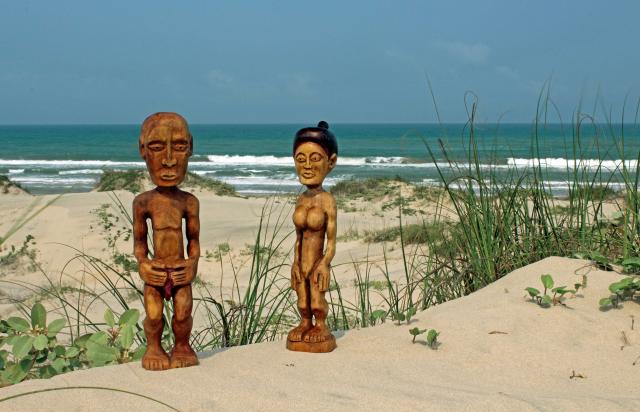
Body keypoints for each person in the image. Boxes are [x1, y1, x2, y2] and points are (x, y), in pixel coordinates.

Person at [133, 112, 200, 370]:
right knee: (153, 315)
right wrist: (143, 264)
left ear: (191, 148)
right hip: (156, 271)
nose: (169, 160)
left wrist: (192, 264)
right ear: (142, 149)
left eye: (180, 147)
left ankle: (182, 346)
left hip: (181, 270)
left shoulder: (189, 202)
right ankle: (154, 347)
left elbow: (194, 240)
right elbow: (140, 243)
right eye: (156, 147)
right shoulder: (143, 202)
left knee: (183, 314)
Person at [287, 121, 338, 352]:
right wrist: (295, 262)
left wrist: (325, 264)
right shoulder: (301, 199)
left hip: (317, 262)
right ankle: (305, 323)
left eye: (315, 158)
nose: (307, 166)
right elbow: (298, 237)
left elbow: (332, 241)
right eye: (300, 159)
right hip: (302, 262)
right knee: (302, 300)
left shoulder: (327, 201)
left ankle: (321, 325)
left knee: (317, 300)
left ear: (331, 162)